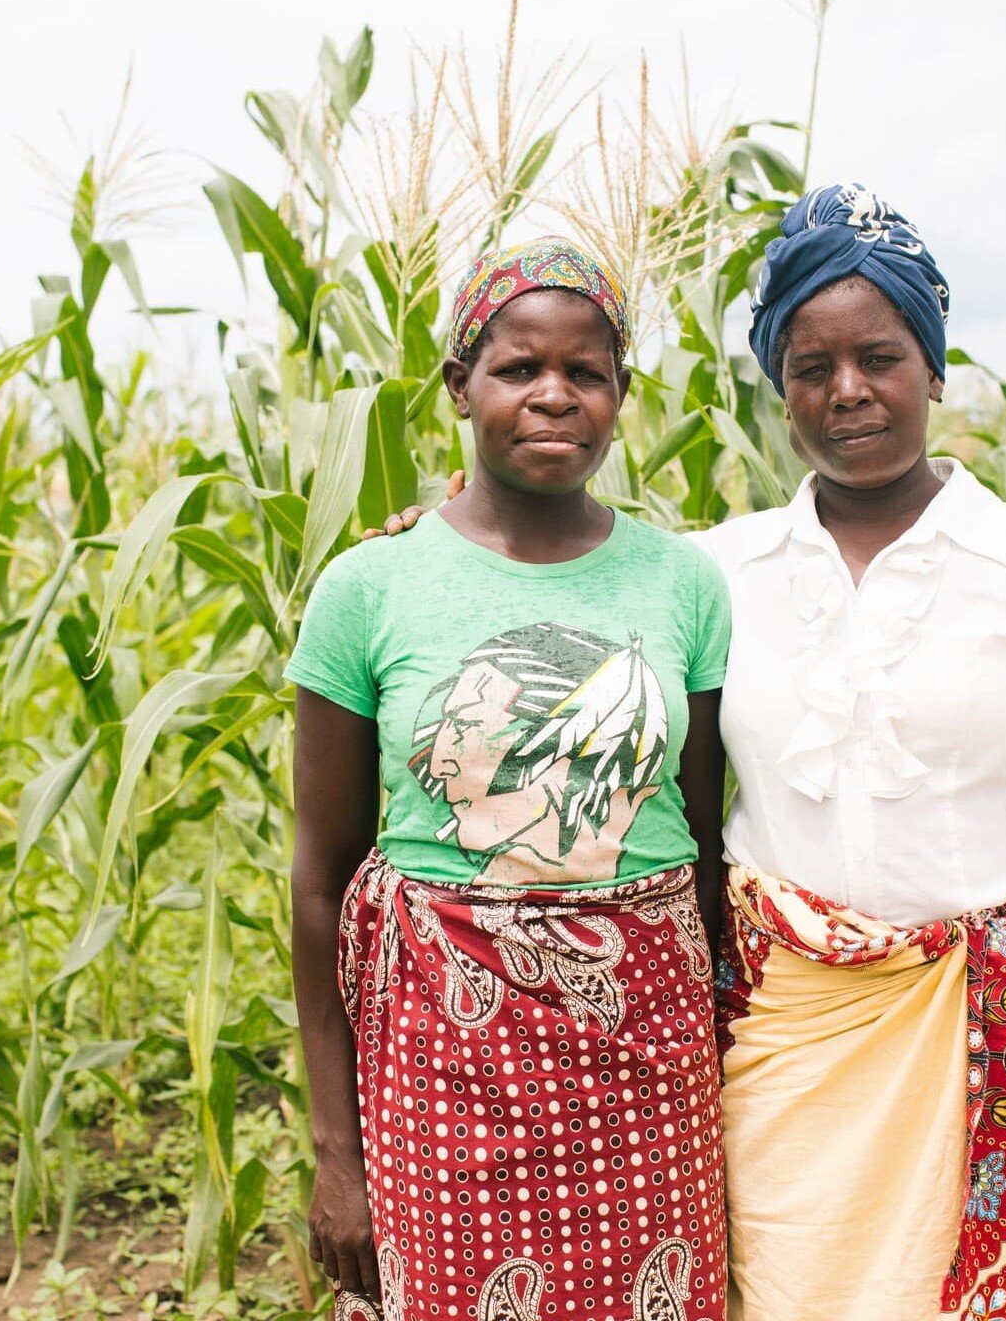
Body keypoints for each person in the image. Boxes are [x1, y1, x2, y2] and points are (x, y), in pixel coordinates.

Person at [372, 184, 1006, 1320]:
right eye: (807, 365)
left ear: (932, 367)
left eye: (878, 357)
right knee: (788, 1285)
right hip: (783, 1021)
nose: (846, 391)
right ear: (776, 386)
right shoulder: (711, 573)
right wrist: (432, 528)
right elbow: (547, 556)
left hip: (983, 1011)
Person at [286, 237, 734, 1321]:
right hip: (442, 1064)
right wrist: (336, 1155)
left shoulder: (683, 581)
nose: (553, 395)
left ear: (621, 396)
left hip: (646, 1058)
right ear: (457, 386)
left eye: (585, 373)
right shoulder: (368, 587)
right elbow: (318, 879)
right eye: (518, 368)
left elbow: (708, 844)